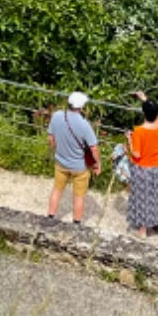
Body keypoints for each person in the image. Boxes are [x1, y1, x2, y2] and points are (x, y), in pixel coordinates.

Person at [45, 90, 100, 224]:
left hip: (61, 162)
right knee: (79, 197)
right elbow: (94, 148)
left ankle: (50, 217)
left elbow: (50, 138)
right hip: (80, 167)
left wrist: (56, 149)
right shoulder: (84, 125)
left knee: (57, 190)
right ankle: (76, 224)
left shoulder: (57, 116)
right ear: (81, 107)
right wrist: (97, 164)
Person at [125, 92, 158, 237]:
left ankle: (142, 230)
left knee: (142, 196)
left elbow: (136, 154)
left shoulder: (139, 131)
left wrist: (129, 139)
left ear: (143, 113)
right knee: (155, 194)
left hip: (142, 167)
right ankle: (156, 224)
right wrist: (145, 99)